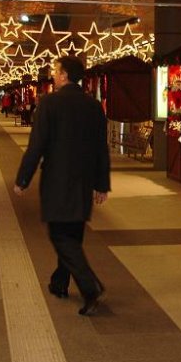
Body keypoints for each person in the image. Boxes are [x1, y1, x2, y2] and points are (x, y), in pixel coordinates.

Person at [13, 56, 110, 316]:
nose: (53, 76)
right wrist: (102, 184)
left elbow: (37, 145)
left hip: (57, 179)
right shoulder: (93, 106)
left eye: (56, 71)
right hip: (83, 180)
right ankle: (59, 282)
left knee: (60, 235)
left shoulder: (50, 103)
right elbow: (101, 148)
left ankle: (90, 287)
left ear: (65, 74)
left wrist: (23, 179)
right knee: (73, 234)